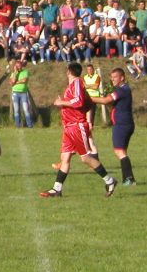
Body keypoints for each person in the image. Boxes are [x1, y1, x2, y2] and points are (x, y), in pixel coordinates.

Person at [40, 62, 117, 199]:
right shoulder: (74, 85)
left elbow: (79, 102)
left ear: (69, 71)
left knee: (85, 158)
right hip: (69, 127)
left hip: (76, 125)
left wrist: (61, 102)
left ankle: (110, 181)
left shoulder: (76, 83)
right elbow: (86, 102)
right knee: (65, 158)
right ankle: (56, 189)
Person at [91, 67, 138, 186]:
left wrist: (88, 99)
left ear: (122, 78)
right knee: (122, 152)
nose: (113, 79)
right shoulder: (123, 89)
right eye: (111, 78)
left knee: (119, 152)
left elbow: (106, 100)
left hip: (122, 124)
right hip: (126, 123)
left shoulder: (122, 90)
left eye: (115, 77)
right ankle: (128, 179)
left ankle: (129, 179)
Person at [9, 59, 33, 129]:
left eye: (19, 66)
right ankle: (17, 125)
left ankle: (29, 125)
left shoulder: (25, 72)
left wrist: (15, 82)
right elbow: (11, 82)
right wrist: (15, 73)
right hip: (15, 93)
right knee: (16, 110)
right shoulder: (13, 73)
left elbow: (24, 80)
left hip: (23, 93)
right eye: (17, 66)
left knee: (26, 109)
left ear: (22, 66)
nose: (18, 67)